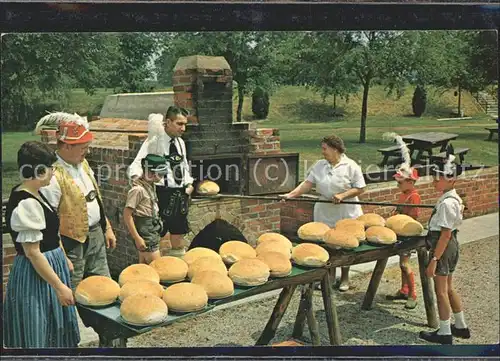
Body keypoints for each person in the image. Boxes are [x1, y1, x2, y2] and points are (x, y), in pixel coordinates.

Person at [4, 141, 80, 348]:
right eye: (50, 168)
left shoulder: (39, 193)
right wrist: (59, 287)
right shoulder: (26, 203)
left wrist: (63, 258)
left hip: (52, 265)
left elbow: (51, 233)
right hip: (36, 274)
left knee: (56, 330)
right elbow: (33, 253)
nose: (54, 173)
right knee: (41, 328)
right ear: (37, 170)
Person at [38, 112, 117, 291]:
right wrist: (62, 255)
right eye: (83, 148)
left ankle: (101, 319)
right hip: (71, 242)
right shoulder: (52, 175)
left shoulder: (83, 164)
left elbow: (95, 197)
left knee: (104, 285)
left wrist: (107, 228)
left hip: (96, 233)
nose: (87, 152)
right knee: (73, 287)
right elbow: (49, 222)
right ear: (66, 146)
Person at [280, 134, 366, 291]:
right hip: (325, 210)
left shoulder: (351, 166)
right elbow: (307, 184)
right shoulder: (320, 165)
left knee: (344, 245)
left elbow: (360, 188)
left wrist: (342, 195)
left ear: (335, 149)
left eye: (325, 148)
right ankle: (330, 277)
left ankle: (345, 278)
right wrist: (290, 195)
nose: (322, 152)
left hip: (345, 211)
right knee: (328, 245)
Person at [419, 147, 470, 345]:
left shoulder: (448, 203)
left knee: (440, 291)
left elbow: (445, 234)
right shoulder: (452, 198)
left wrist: (433, 259)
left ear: (451, 179)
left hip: (443, 247)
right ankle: (461, 326)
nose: (433, 180)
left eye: (437, 177)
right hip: (450, 246)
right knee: (448, 288)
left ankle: (444, 332)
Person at [128, 106, 195, 258]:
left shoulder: (180, 143)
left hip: (180, 194)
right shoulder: (154, 142)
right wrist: (138, 182)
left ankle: (177, 267)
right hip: (161, 194)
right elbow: (137, 164)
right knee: (157, 236)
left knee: (178, 234)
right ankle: (158, 269)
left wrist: (189, 184)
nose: (183, 128)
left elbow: (184, 166)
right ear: (168, 122)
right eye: (179, 124)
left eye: (185, 124)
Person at [124, 114, 169, 264]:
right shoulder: (138, 190)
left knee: (144, 267)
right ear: (149, 172)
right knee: (157, 267)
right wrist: (137, 238)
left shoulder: (150, 186)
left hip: (152, 227)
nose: (161, 178)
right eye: (159, 174)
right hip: (145, 230)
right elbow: (127, 215)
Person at [386, 166, 421, 309]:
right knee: (402, 264)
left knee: (404, 264)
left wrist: (401, 214)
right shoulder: (403, 194)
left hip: (408, 233)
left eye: (400, 182)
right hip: (400, 231)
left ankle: (413, 294)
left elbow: (414, 216)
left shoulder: (414, 196)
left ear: (410, 182)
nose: (397, 185)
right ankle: (404, 290)